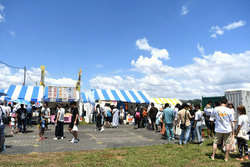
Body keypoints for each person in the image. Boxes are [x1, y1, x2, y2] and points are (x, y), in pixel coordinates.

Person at [210, 97, 234, 162]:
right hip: (227, 129)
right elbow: (232, 120)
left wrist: (212, 123)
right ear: (226, 103)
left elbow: (211, 118)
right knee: (227, 143)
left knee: (215, 142)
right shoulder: (229, 110)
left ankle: (213, 156)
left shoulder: (215, 109)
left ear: (220, 103)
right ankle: (226, 157)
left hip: (218, 129)